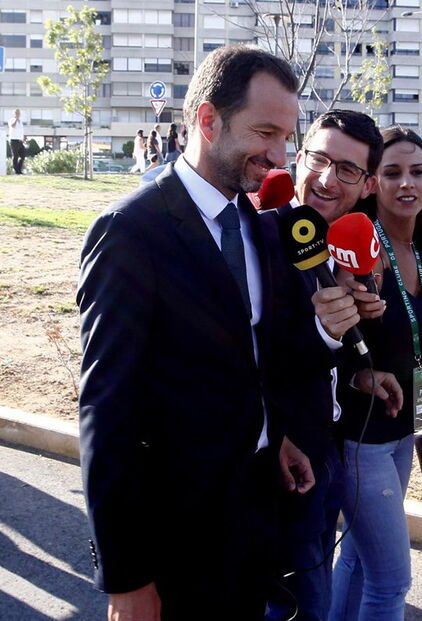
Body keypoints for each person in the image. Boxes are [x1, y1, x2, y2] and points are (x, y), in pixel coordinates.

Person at [76, 44, 317, 620]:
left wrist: (271, 434)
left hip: (252, 517)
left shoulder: (256, 224)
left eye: (287, 137)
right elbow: (107, 413)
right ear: (207, 120)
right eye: (265, 132)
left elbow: (244, 355)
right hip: (174, 544)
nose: (280, 155)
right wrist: (126, 577)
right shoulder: (130, 232)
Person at [328, 127, 422, 621]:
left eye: (417, 171)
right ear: (372, 182)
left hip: (402, 430)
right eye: (391, 172)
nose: (406, 183)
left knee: (357, 557)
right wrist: (360, 375)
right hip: (361, 435)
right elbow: (331, 337)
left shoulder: (416, 248)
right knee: (392, 580)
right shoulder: (359, 248)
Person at [268, 109, 403, 621]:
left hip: (323, 451)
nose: (326, 179)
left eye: (346, 170)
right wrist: (324, 328)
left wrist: (356, 370)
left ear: (367, 185)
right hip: (276, 464)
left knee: (317, 599)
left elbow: (312, 352)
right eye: (318, 159)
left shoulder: (325, 242)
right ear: (299, 156)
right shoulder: (258, 235)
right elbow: (245, 357)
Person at [8, 109, 26, 174]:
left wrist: (23, 138)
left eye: (19, 113)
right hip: (13, 140)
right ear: (14, 114)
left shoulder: (20, 122)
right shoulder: (12, 120)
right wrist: (16, 119)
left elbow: (21, 131)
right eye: (16, 113)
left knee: (23, 155)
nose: (18, 114)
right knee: (15, 156)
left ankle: (18, 169)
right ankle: (16, 171)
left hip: (20, 141)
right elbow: (13, 126)